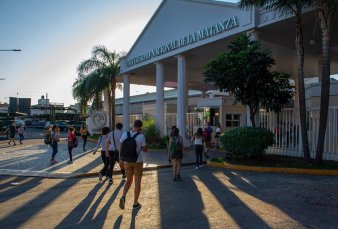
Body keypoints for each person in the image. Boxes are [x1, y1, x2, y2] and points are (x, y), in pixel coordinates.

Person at [119, 119, 147, 210]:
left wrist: (121, 159)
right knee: (137, 183)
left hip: (127, 161)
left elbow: (121, 147)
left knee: (128, 180)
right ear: (140, 127)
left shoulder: (125, 134)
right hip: (137, 161)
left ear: (133, 126)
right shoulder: (141, 136)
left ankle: (123, 196)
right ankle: (135, 203)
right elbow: (145, 149)